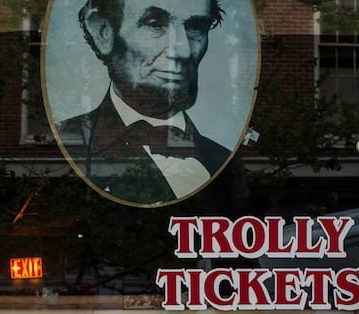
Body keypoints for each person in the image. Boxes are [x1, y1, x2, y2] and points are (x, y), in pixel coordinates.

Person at [56, 0, 233, 206]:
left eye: (195, 27)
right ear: (103, 32)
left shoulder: (224, 161)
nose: (184, 50)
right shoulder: (67, 144)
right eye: (155, 24)